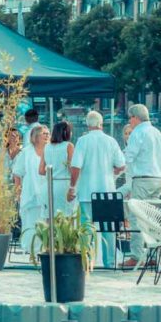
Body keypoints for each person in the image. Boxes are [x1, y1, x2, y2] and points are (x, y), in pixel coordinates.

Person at [68, 111, 126, 267]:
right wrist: (112, 172)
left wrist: (72, 187)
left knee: (86, 228)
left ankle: (86, 261)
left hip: (87, 191)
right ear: (101, 124)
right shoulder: (111, 141)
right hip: (107, 191)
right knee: (108, 228)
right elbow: (121, 165)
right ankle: (110, 262)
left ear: (88, 124)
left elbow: (75, 167)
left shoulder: (82, 141)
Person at [123, 104, 161, 266]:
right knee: (152, 219)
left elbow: (130, 156)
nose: (129, 121)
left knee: (136, 218)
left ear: (135, 117)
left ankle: (136, 256)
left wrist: (117, 165)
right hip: (158, 179)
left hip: (142, 179)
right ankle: (153, 255)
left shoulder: (138, 132)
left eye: (130, 118)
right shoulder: (156, 132)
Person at [16, 124, 49, 256]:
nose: (47, 135)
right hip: (30, 192)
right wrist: (18, 192)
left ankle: (43, 248)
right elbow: (17, 173)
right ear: (35, 137)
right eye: (44, 133)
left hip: (46, 192)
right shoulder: (26, 152)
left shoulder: (51, 150)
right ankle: (30, 250)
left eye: (48, 133)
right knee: (30, 221)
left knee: (44, 220)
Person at [40, 120, 75, 218]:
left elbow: (41, 170)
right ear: (65, 132)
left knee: (49, 218)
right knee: (66, 219)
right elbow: (72, 169)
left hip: (48, 185)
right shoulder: (69, 146)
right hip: (64, 185)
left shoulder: (46, 147)